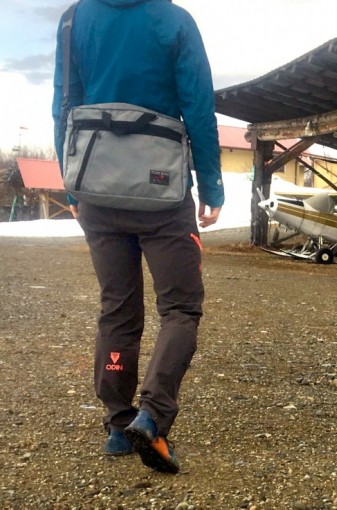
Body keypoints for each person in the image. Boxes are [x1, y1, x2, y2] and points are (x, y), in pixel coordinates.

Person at [52, 0, 224, 474]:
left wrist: (73, 182)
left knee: (118, 308)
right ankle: (152, 415)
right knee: (180, 308)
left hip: (97, 189)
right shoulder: (175, 22)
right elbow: (198, 107)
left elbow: (63, 104)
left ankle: (116, 423)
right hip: (162, 193)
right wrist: (211, 183)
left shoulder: (74, 19)